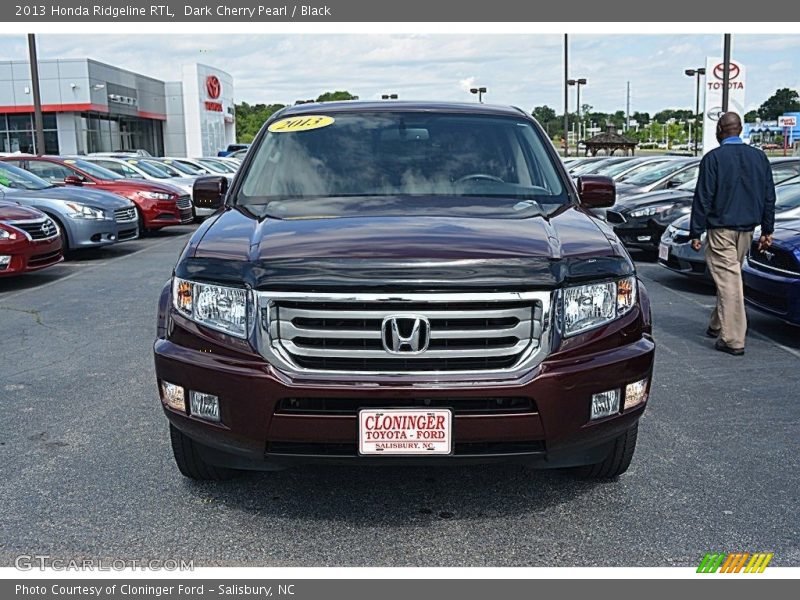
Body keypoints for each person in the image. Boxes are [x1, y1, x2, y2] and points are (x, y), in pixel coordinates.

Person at [690, 112, 776, 356]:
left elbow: (703, 197)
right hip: (747, 231)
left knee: (729, 281)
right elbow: (769, 196)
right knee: (731, 278)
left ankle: (733, 339)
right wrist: (768, 230)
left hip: (721, 230)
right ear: (740, 129)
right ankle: (717, 323)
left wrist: (695, 232)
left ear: (720, 130)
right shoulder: (759, 157)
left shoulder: (713, 158)